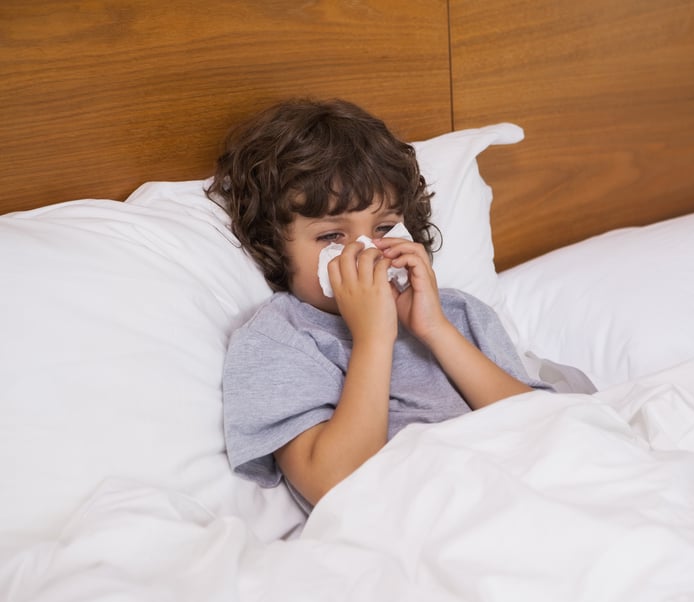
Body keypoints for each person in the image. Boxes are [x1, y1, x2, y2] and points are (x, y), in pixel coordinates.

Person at [209, 98, 550, 511]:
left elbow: (545, 426)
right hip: (426, 514)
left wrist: (436, 331)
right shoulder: (281, 338)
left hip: (523, 488)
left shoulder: (456, 313)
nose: (365, 249)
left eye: (385, 227)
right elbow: (335, 484)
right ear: (275, 248)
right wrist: (373, 338)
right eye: (332, 236)